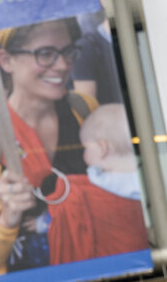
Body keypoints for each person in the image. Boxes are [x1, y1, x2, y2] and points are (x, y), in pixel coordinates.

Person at [0, 18, 94, 275]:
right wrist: (7, 218)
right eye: (45, 54)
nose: (63, 65)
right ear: (5, 61)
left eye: (68, 51)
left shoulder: (85, 110)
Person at [50, 104, 150, 264]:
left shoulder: (92, 184)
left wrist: (40, 224)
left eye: (85, 148)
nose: (84, 155)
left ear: (103, 148)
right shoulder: (150, 176)